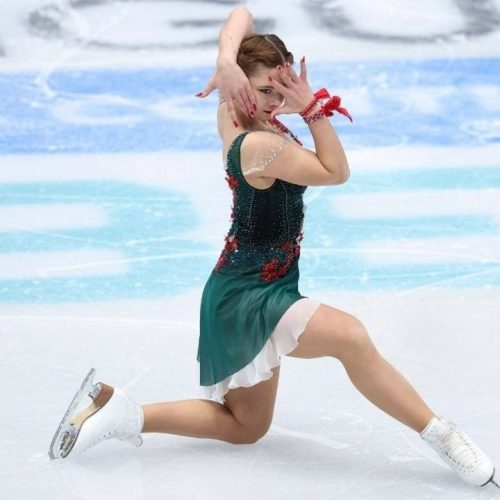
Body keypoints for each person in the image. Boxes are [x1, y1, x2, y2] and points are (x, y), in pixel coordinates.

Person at [48, 6, 498, 490]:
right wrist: (310, 108)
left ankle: (120, 411)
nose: (273, 101)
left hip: (254, 283)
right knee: (351, 337)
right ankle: (443, 435)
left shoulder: (231, 108)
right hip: (248, 296)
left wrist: (226, 61)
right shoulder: (258, 146)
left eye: (281, 91)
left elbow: (241, 12)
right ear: (240, 84)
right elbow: (336, 172)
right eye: (264, 90)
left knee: (247, 427)